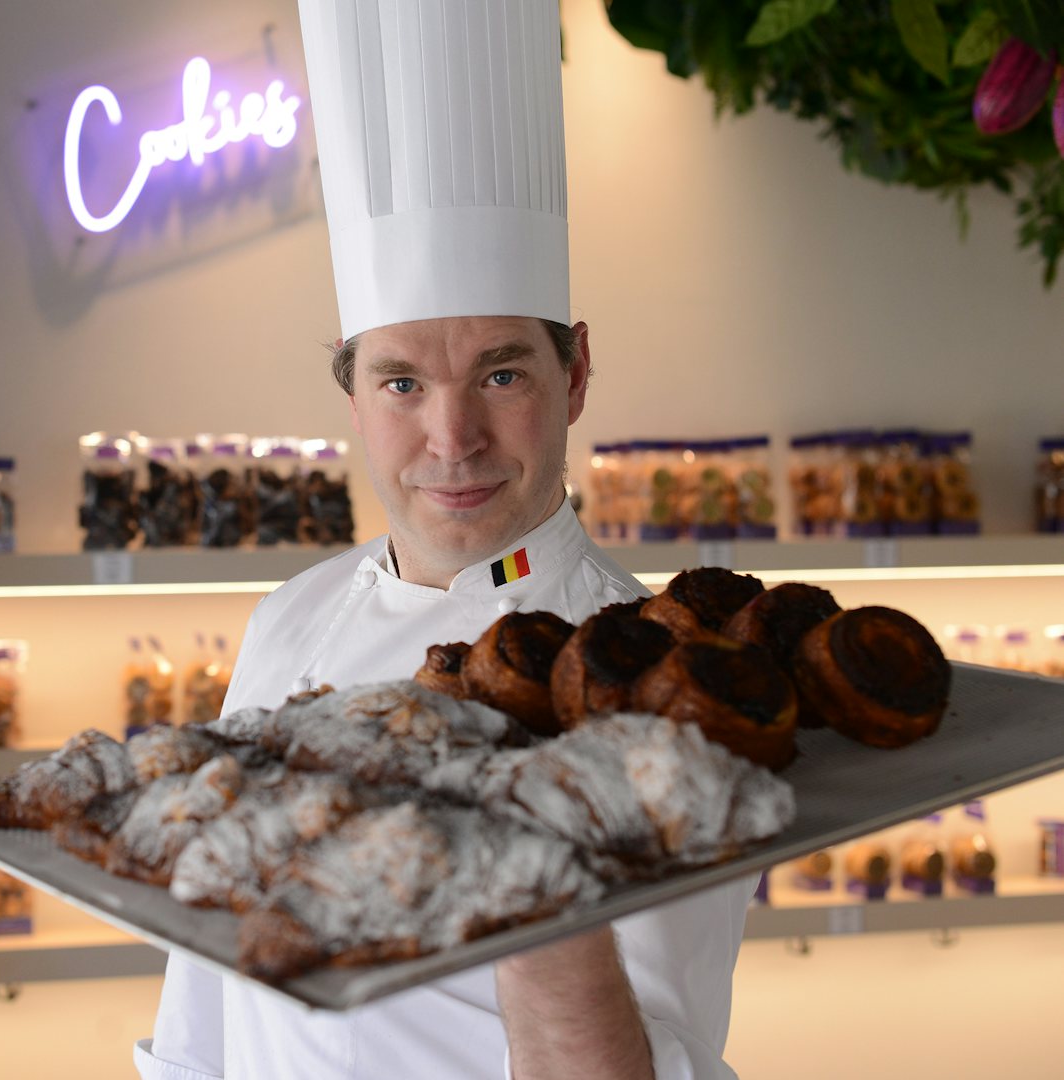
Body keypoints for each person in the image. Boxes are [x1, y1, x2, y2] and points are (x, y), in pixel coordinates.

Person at [135, 2, 751, 1077]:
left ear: (577, 375)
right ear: (352, 388)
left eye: (501, 374)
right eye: (403, 382)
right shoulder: (287, 622)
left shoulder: (646, 684)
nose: (450, 438)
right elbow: (206, 980)